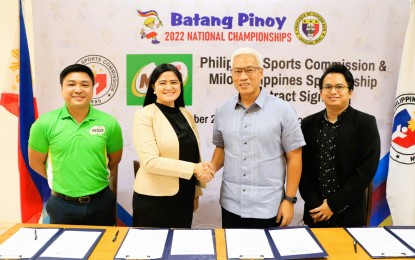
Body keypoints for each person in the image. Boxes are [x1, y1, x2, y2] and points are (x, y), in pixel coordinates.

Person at [208, 48, 305, 228]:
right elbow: (221, 148)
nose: (243, 76)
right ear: (231, 74)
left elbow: (295, 157)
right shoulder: (222, 111)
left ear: (261, 73)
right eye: (237, 71)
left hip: (268, 207)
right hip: (231, 204)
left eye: (249, 70)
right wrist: (211, 167)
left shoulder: (283, 110)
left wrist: (289, 200)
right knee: (232, 254)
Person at [28, 64, 123, 226]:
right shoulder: (44, 123)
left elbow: (114, 159)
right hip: (62, 205)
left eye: (84, 84)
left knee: (104, 250)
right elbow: (35, 163)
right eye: (71, 84)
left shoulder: (109, 122)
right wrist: (63, 179)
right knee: (64, 250)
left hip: (101, 202)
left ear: (93, 88)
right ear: (62, 88)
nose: (78, 89)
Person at [299, 64, 381, 227]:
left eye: (339, 87)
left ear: (351, 92)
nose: (333, 91)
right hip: (315, 214)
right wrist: (316, 206)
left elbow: (366, 170)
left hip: (349, 214)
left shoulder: (365, 123)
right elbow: (301, 169)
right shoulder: (308, 124)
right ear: (321, 92)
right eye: (327, 87)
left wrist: (333, 205)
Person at [132, 63, 212, 228]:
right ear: (153, 87)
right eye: (162, 83)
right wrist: (194, 169)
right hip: (154, 199)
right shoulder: (144, 115)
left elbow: (194, 155)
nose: (169, 87)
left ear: (180, 87)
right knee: (150, 251)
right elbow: (150, 162)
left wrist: (196, 193)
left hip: (185, 196)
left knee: (178, 249)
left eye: (174, 82)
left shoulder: (186, 114)